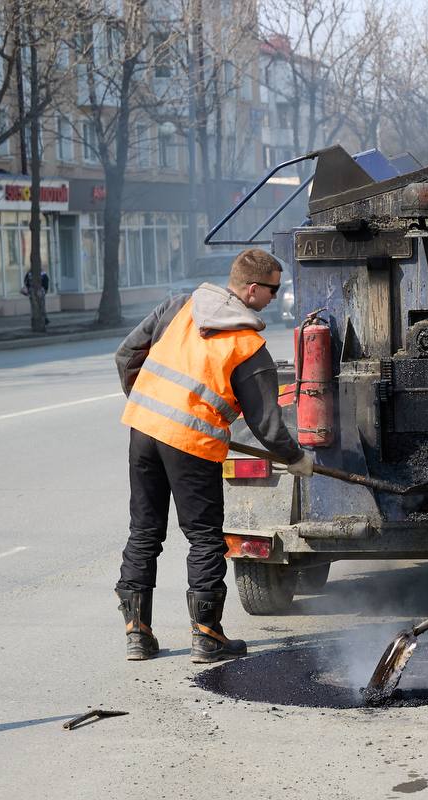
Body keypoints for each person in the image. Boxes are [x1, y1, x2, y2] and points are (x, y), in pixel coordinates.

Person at [112, 248, 314, 664]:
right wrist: (295, 458)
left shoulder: (178, 307)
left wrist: (150, 405)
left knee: (144, 530)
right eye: (273, 290)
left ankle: (137, 633)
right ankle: (206, 636)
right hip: (192, 444)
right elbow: (267, 422)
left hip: (143, 430)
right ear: (253, 289)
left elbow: (127, 354)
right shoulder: (247, 344)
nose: (276, 297)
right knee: (204, 536)